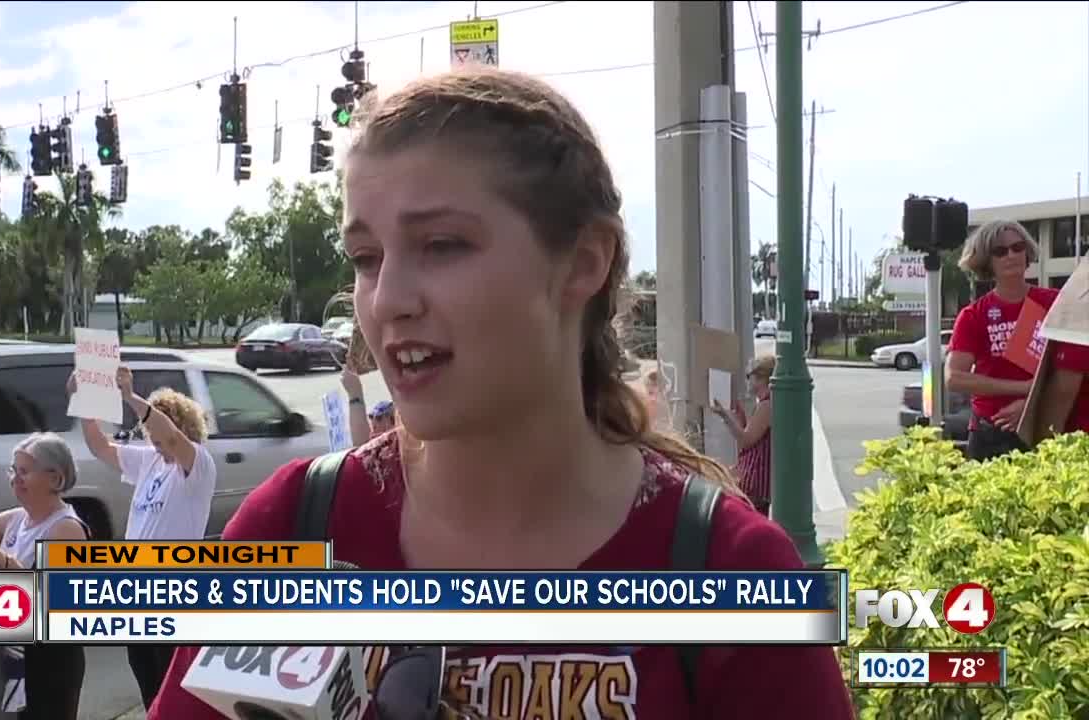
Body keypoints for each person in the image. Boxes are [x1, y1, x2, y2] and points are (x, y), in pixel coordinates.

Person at [147, 67, 851, 718]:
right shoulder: (293, 527)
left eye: (443, 245)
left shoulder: (729, 571)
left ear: (582, 261)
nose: (386, 298)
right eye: (366, 258)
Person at [69, 366, 217, 712]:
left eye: (156, 431)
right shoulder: (151, 461)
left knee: (171, 682)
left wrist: (131, 398)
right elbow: (100, 447)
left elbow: (171, 438)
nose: (151, 440)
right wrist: (83, 400)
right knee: (146, 678)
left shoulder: (197, 463)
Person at [0, 433, 89, 720]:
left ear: (55, 479)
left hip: (47, 666)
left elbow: (52, 601)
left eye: (25, 471)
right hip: (8, 656)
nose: (16, 478)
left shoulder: (66, 529)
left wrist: (0, 560)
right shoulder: (16, 518)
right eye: (13, 470)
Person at [946, 220, 1059, 461]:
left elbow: (1072, 370)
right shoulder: (973, 315)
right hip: (991, 432)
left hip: (1046, 424)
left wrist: (1029, 403)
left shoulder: (1055, 304)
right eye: (1000, 251)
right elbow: (954, 378)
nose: (1011, 255)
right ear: (987, 261)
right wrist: (1024, 388)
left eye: (1018, 247)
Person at [712, 355, 775, 515]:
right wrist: (738, 417)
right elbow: (747, 439)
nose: (747, 381)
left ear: (761, 379)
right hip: (754, 478)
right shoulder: (764, 404)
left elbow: (746, 440)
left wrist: (725, 416)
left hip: (756, 481)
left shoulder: (767, 405)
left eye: (749, 377)